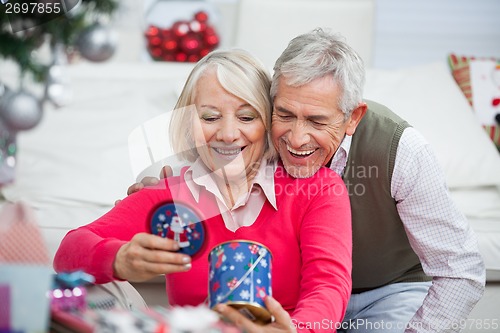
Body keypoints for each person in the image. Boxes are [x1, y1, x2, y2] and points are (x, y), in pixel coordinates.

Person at [131, 29, 485, 332]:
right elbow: (208, 152)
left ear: (352, 117)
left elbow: (461, 270)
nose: (297, 139)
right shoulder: (256, 132)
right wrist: (159, 199)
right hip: (297, 294)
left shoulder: (402, 151)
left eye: (317, 121)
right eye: (285, 114)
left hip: (385, 292)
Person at [53, 49, 353, 332]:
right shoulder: (168, 196)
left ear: (269, 123)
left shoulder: (318, 189)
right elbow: (68, 251)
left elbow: (328, 285)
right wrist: (119, 258)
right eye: (210, 117)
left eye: (247, 117)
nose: (227, 134)